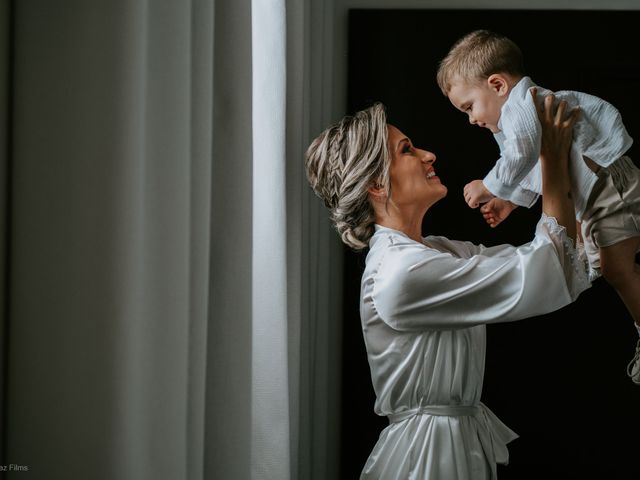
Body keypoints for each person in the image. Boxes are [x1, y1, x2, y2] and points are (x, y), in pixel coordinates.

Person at [305, 90, 588, 479]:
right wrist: (550, 159)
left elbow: (552, 262)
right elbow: (546, 268)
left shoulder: (438, 252)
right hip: (428, 456)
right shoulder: (400, 272)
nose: (428, 155)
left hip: (450, 443)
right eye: (407, 150)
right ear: (376, 184)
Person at [436, 29, 640, 385]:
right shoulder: (517, 117)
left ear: (498, 84)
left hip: (608, 187)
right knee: (600, 264)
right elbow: (537, 168)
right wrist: (511, 202)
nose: (471, 119)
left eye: (469, 106)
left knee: (617, 270)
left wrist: (488, 185)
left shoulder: (524, 105)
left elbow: (523, 155)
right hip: (592, 199)